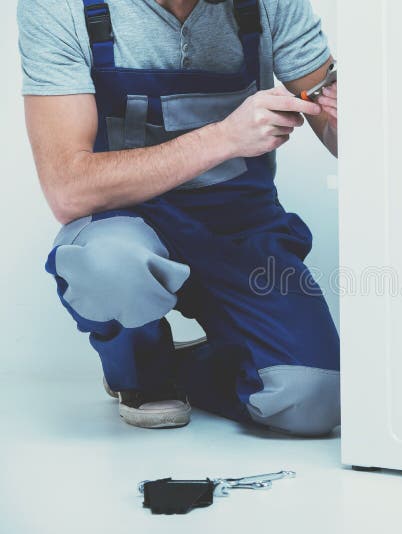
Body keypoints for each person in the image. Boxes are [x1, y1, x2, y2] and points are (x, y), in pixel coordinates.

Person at [18, 0, 341, 436]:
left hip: (240, 228)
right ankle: (142, 371)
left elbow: (346, 126)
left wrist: (364, 115)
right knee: (109, 266)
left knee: (314, 399)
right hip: (127, 224)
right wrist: (225, 138)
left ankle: (187, 366)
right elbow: (67, 188)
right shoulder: (61, 7)